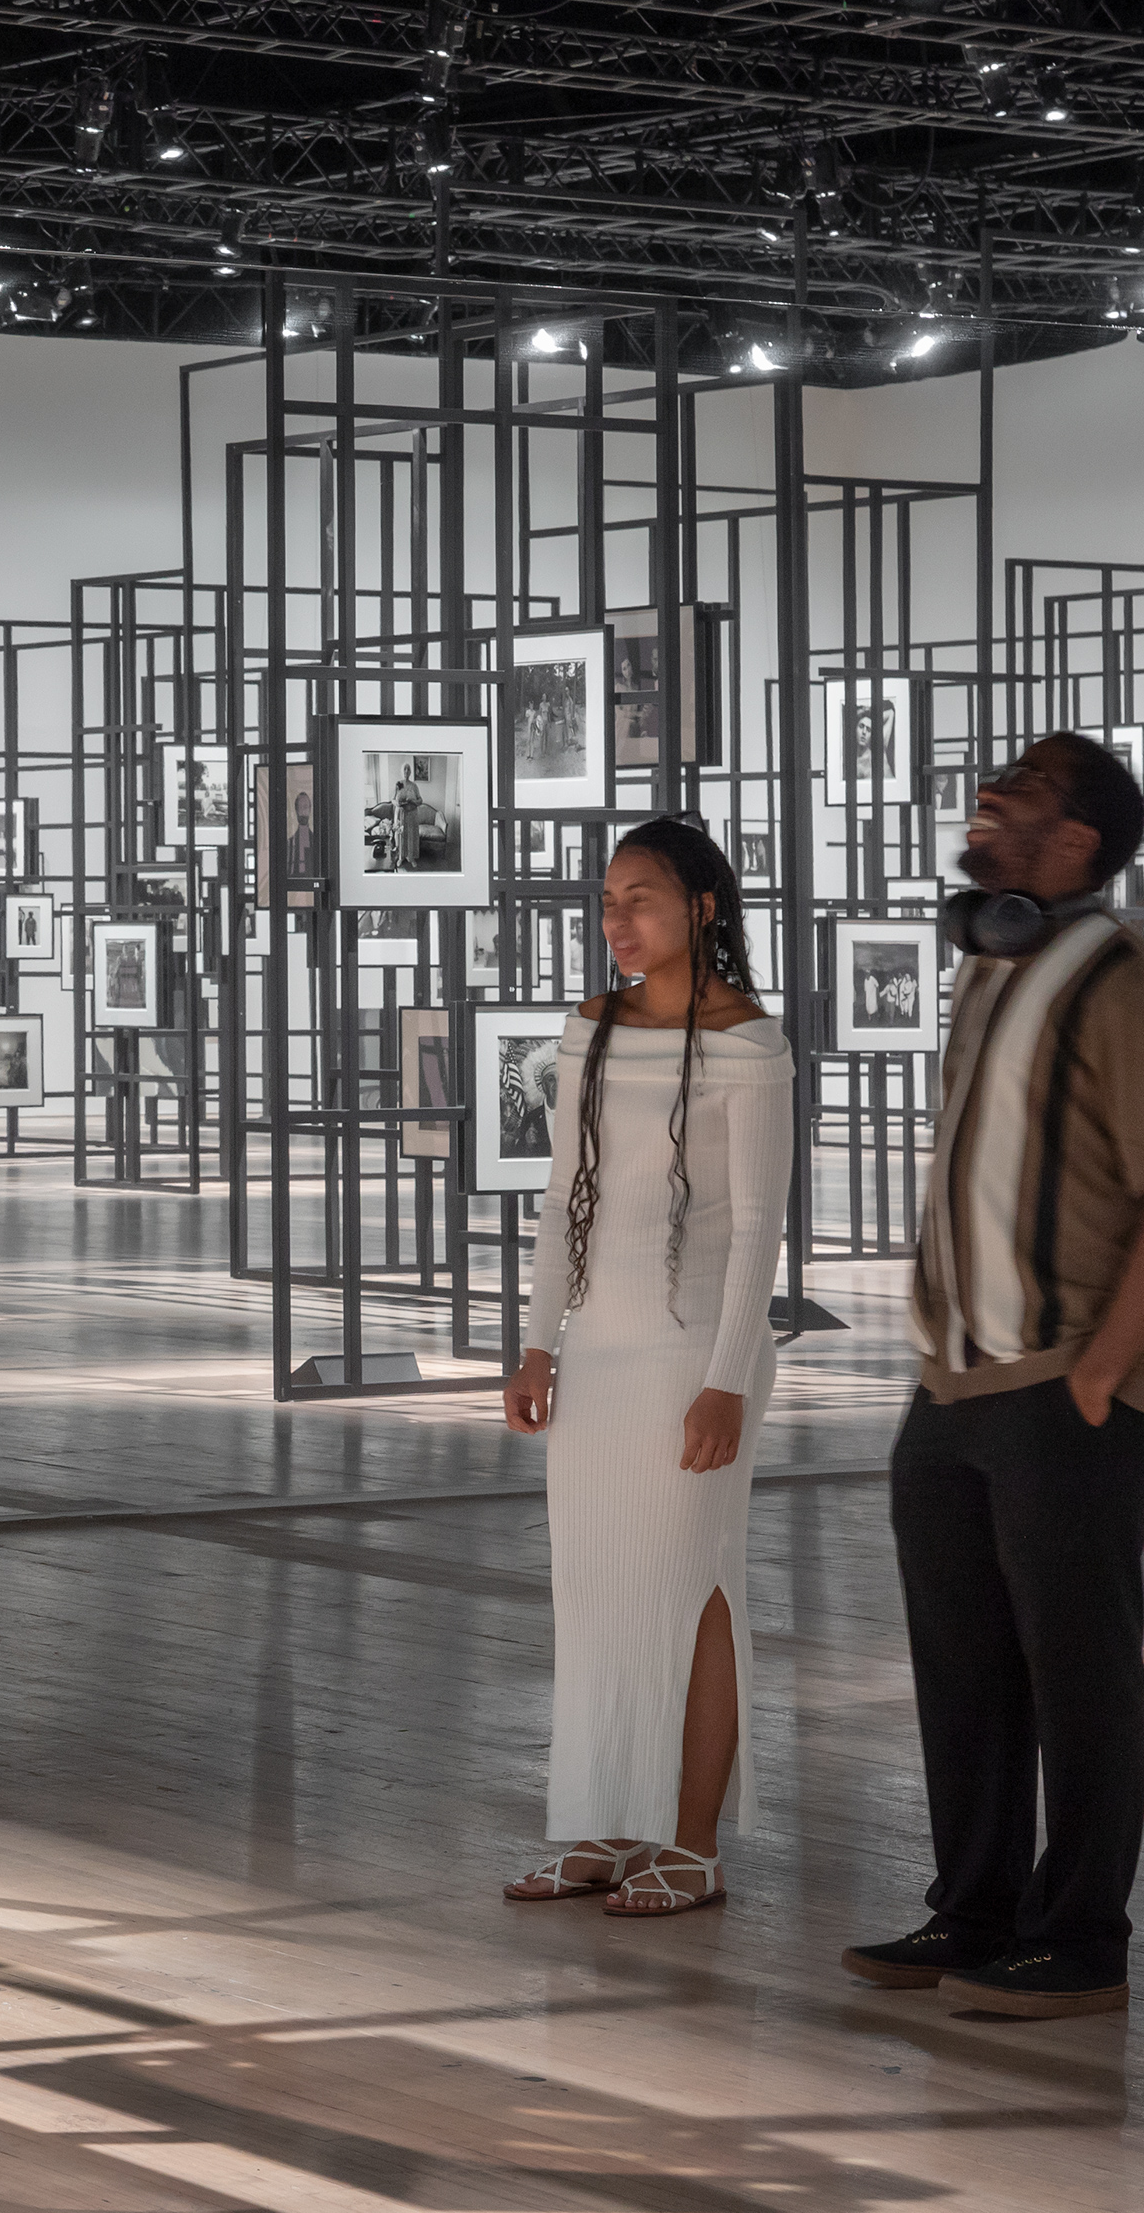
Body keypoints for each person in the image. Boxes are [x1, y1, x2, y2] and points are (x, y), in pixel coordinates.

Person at [847, 732, 1144, 2019]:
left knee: (1078, 1667)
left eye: (1022, 791)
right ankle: (975, 1908)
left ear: (1076, 845)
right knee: (965, 1659)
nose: (989, 797)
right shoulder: (995, 963)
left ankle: (1082, 1937)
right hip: (951, 1384)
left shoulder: (1119, 980)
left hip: (1063, 1383)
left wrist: (1102, 1373)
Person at [501, 818, 792, 1920]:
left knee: (691, 1587)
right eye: (608, 900)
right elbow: (557, 1195)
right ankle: (612, 1827)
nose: (618, 921)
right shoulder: (590, 1028)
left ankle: (694, 1845)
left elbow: (761, 1226)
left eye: (643, 899)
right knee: (597, 1593)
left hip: (694, 1357)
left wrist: (725, 1375)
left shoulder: (749, 1044)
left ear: (703, 906)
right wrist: (536, 1343)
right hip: (602, 1349)